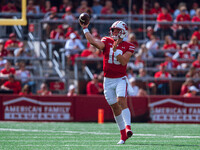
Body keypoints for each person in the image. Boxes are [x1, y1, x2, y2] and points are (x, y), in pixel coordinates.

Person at [79, 19, 135, 144]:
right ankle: (123, 136)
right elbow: (93, 42)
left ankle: (128, 127)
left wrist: (115, 52)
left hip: (120, 78)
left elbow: (123, 61)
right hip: (108, 80)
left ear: (123, 32)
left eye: (117, 30)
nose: (114, 32)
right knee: (115, 107)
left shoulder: (129, 46)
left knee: (121, 100)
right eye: (113, 30)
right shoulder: (106, 41)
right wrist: (85, 28)